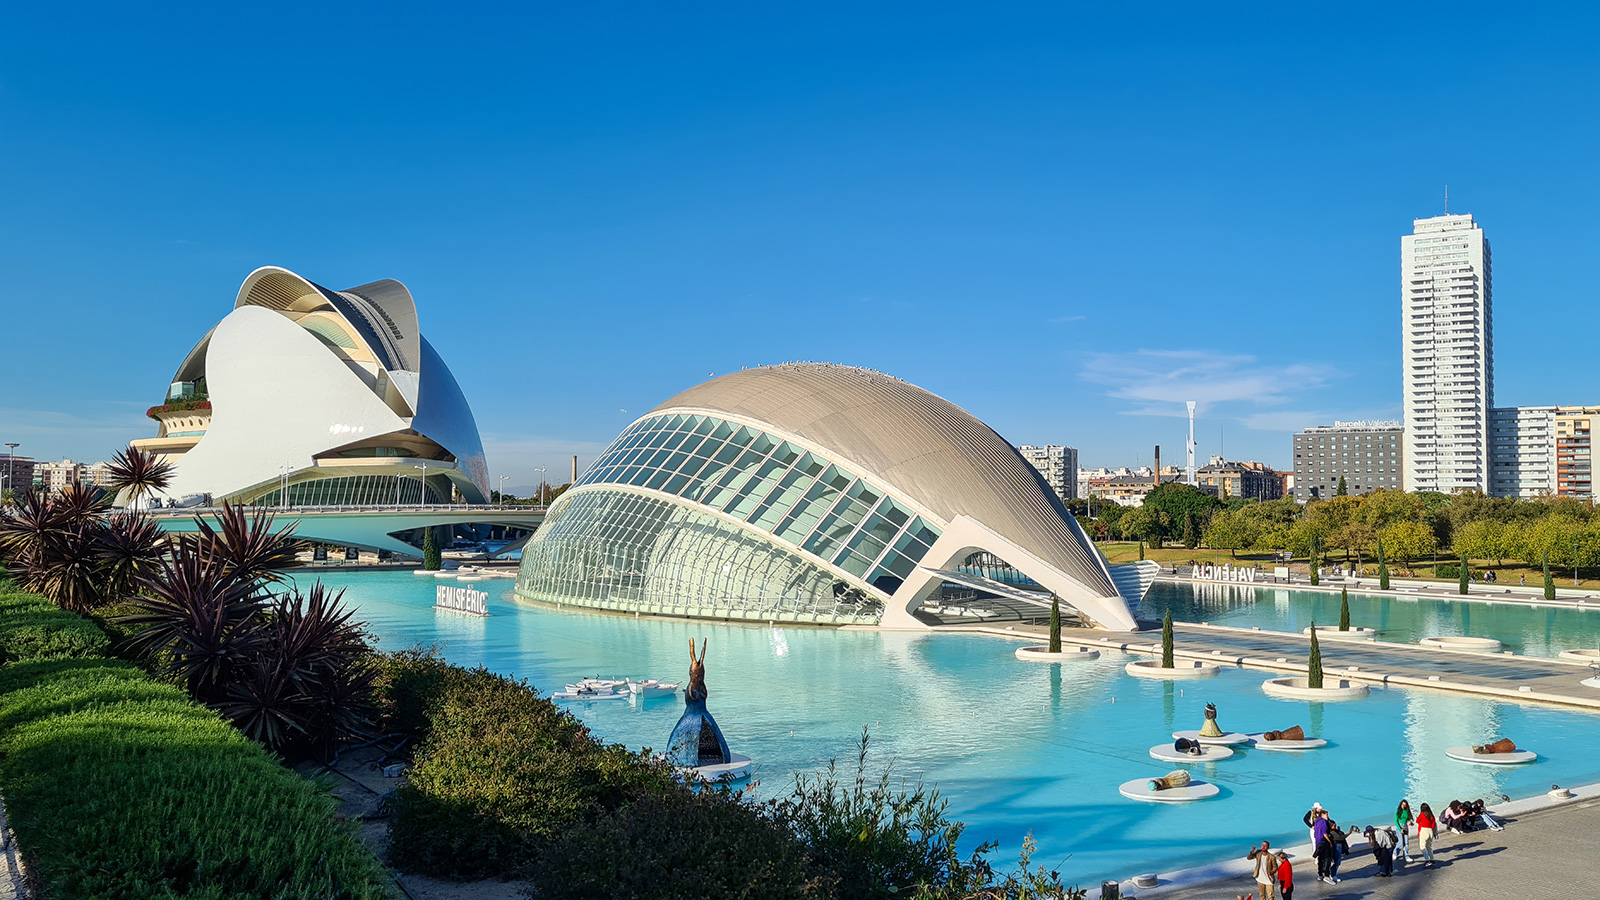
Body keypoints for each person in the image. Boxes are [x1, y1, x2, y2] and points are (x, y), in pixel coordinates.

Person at [1416, 802, 1438, 867]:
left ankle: (1427, 860)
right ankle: (1432, 860)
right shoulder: (1431, 815)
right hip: (1430, 831)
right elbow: (1433, 825)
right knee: (1429, 847)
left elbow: (1417, 821)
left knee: (1422, 847)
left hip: (1424, 831)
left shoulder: (1422, 814)